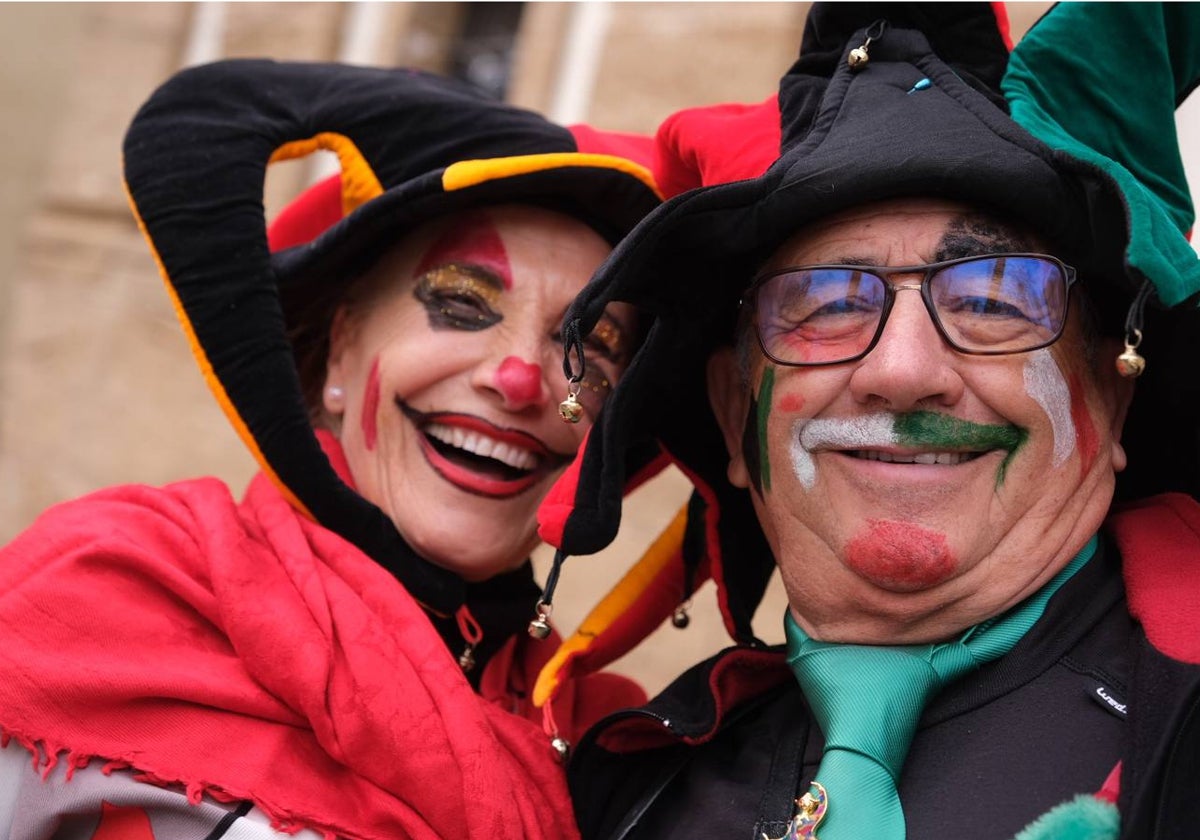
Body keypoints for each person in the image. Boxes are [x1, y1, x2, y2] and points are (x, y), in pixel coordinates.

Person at [530, 4, 1200, 840]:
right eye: (827, 303)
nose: (902, 372)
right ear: (736, 411)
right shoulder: (628, 791)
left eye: (994, 297)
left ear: (1114, 393)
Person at [0, 59, 660, 840]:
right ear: (341, 354)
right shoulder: (105, 587)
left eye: (590, 346)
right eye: (460, 303)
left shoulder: (621, 757)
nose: (518, 379)